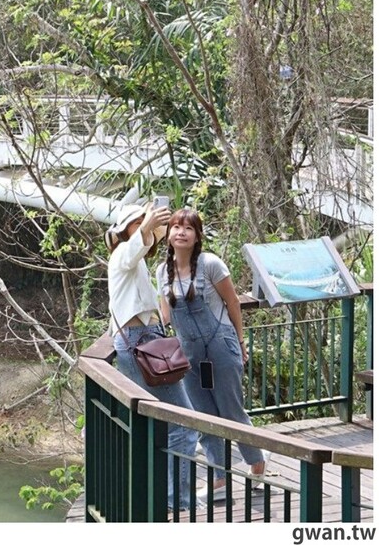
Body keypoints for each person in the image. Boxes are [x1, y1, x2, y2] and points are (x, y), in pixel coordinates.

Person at [156, 208, 273, 503]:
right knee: (203, 415)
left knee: (231, 410)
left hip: (221, 344)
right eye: (176, 227)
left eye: (188, 228)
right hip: (189, 353)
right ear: (168, 235)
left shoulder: (210, 264)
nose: (181, 232)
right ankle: (220, 478)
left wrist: (240, 340)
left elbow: (232, 302)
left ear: (197, 237)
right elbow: (165, 316)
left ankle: (256, 462)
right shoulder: (162, 271)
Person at [105, 202, 198, 511]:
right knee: (184, 423)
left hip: (143, 341)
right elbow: (133, 250)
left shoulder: (136, 261)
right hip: (140, 343)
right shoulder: (123, 255)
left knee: (161, 421)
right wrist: (146, 226)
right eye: (140, 225)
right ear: (127, 230)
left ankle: (162, 496)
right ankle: (177, 501)